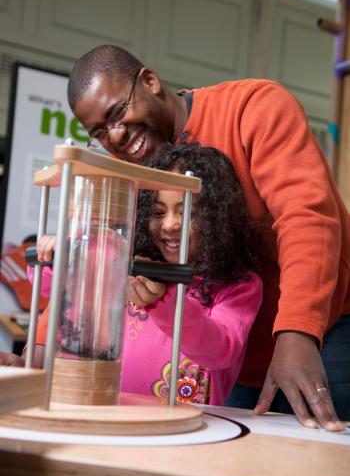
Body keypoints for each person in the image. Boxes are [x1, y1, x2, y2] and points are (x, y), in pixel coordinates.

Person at [65, 44, 350, 430]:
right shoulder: (127, 167)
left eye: (117, 113)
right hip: (232, 354)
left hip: (320, 328)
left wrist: (298, 332)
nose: (115, 136)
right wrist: (39, 348)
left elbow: (306, 217)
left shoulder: (254, 107)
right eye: (98, 131)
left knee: (319, 459)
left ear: (150, 81)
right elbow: (93, 259)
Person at [4, 143, 263, 405]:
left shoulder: (239, 285)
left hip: (181, 431)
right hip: (106, 414)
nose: (170, 224)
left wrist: (165, 302)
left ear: (218, 218)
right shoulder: (124, 259)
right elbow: (61, 287)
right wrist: (59, 254)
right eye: (158, 212)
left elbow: (221, 349)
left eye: (188, 214)